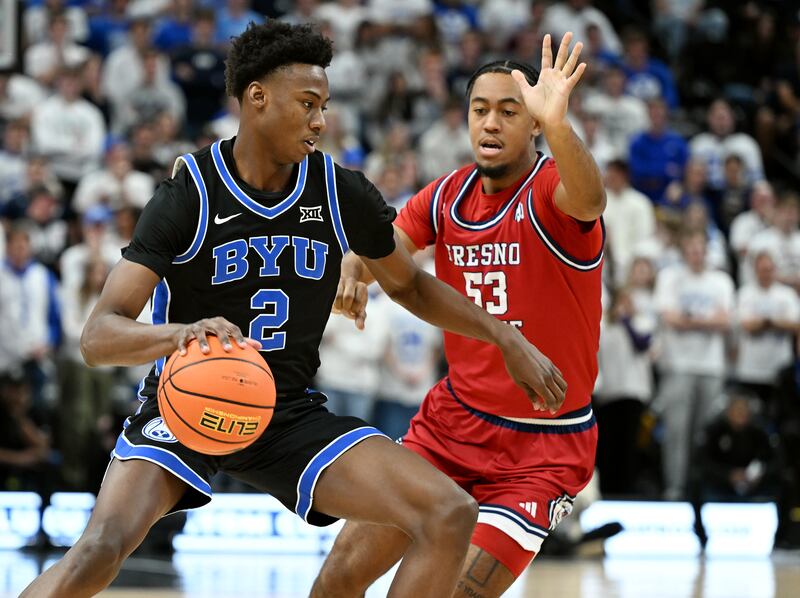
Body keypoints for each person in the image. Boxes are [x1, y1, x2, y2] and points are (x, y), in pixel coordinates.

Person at [20, 22, 565, 598]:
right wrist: (180, 334)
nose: (320, 121)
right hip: (185, 407)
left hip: (287, 414)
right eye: (308, 104)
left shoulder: (339, 191)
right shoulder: (190, 193)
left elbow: (411, 287)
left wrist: (505, 337)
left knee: (448, 512)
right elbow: (97, 336)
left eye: (324, 105)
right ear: (257, 98)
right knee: (99, 550)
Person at [314, 32, 605, 597]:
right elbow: (385, 250)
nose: (490, 124)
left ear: (535, 125)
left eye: (509, 111)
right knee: (340, 575)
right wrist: (353, 268)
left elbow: (590, 198)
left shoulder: (551, 192)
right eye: (480, 110)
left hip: (543, 449)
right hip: (452, 425)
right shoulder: (448, 196)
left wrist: (561, 124)